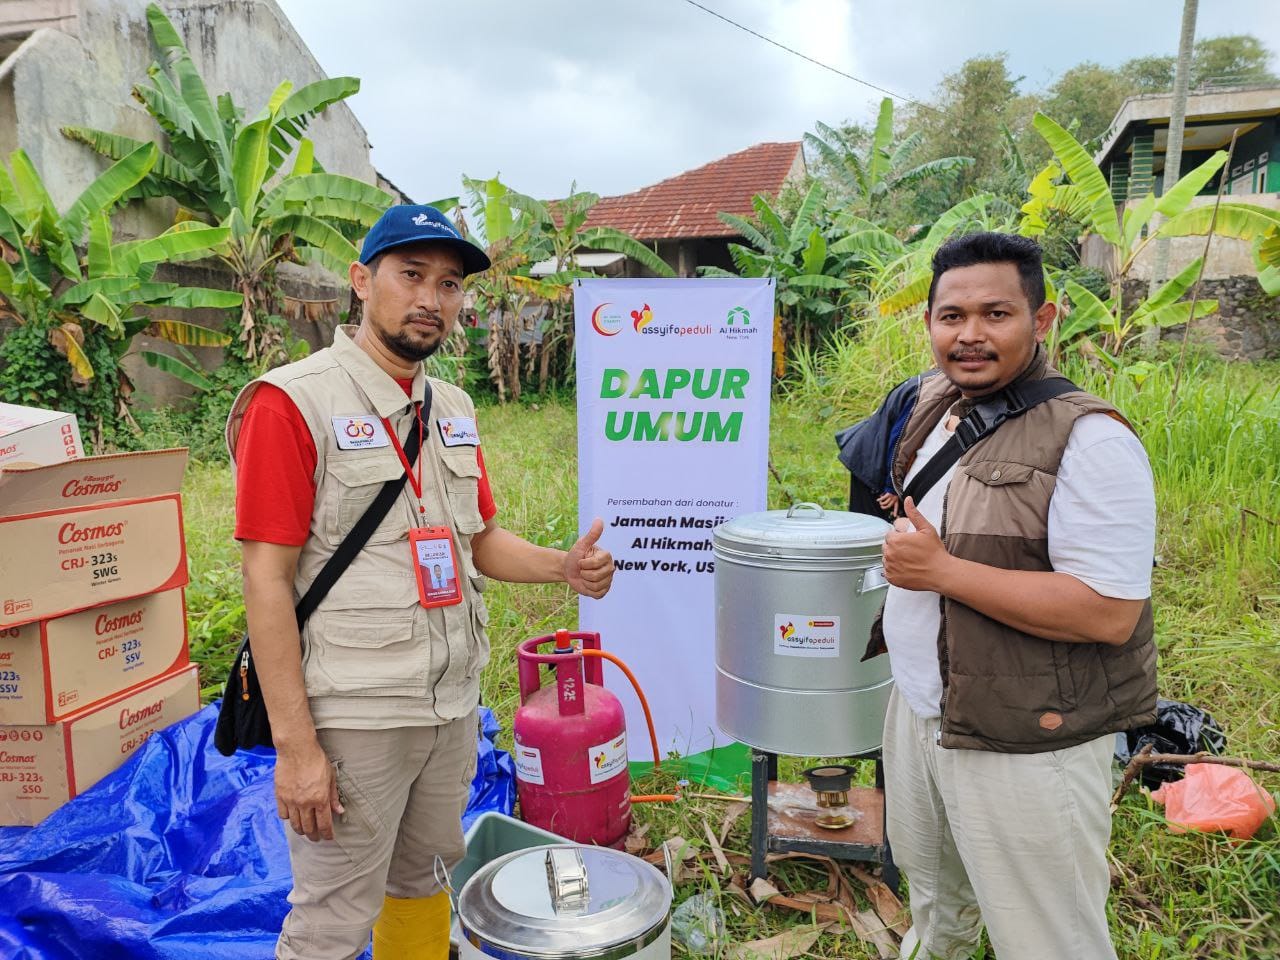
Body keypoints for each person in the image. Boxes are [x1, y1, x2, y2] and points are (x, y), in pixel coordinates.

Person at [227, 203, 616, 960]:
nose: (431, 299)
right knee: (333, 916)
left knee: (423, 880)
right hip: (355, 716)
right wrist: (298, 750)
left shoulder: (453, 408)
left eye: (449, 284)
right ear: (361, 281)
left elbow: (479, 541)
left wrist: (561, 567)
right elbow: (264, 579)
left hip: (448, 706)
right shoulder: (293, 403)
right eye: (411, 276)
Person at [868, 232, 1157, 960]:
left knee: (1049, 938)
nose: (969, 334)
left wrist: (942, 572)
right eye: (951, 315)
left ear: (1044, 318)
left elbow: (1109, 612)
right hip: (924, 709)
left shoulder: (1090, 440)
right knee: (937, 910)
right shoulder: (940, 404)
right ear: (928, 322)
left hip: (1028, 735)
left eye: (996, 313)